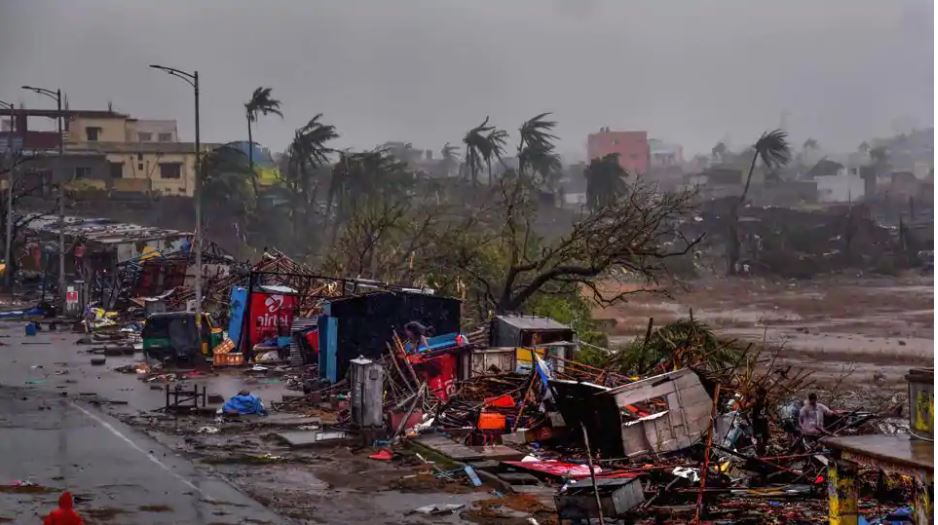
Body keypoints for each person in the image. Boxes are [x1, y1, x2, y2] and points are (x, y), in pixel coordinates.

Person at [749, 386, 770, 455]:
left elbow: (766, 410)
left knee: (765, 437)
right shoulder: (756, 402)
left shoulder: (765, 401)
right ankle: (760, 453)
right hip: (758, 423)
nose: (758, 396)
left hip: (762, 422)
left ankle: (762, 452)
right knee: (759, 438)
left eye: (759, 394)